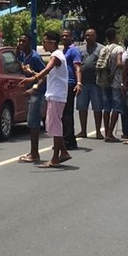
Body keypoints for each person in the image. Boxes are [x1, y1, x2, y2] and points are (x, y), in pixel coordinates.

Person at [21, 30, 71, 168]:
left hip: (57, 94)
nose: (43, 45)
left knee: (55, 126)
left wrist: (32, 78)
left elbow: (47, 70)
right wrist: (34, 81)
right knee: (53, 124)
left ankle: (55, 158)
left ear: (52, 42)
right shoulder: (56, 55)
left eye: (44, 41)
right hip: (54, 94)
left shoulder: (56, 55)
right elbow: (47, 75)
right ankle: (64, 152)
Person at [16, 34, 46, 163]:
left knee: (34, 123)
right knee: (30, 122)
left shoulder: (35, 57)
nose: (21, 43)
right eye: (20, 41)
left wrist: (34, 87)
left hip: (37, 93)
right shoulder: (23, 56)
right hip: (29, 92)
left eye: (24, 41)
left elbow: (44, 75)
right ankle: (33, 152)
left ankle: (35, 154)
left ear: (30, 43)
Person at [77, 29, 104, 138]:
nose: (88, 37)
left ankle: (98, 131)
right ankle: (83, 131)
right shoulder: (80, 49)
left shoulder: (101, 49)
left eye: (91, 35)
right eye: (87, 35)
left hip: (96, 83)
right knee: (82, 107)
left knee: (97, 108)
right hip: (82, 82)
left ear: (95, 36)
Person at [60, 28, 83, 150]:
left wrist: (79, 82)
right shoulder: (64, 51)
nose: (64, 38)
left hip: (70, 83)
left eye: (66, 36)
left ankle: (69, 141)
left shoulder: (74, 50)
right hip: (63, 83)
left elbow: (77, 67)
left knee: (67, 113)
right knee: (64, 114)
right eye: (62, 36)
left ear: (71, 37)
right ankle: (66, 139)